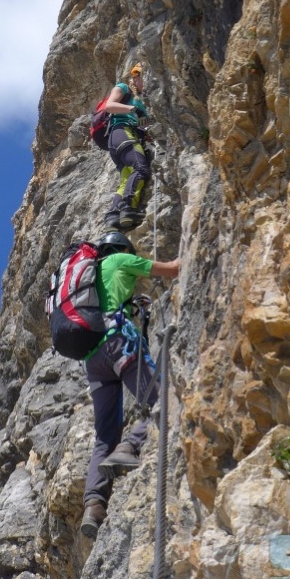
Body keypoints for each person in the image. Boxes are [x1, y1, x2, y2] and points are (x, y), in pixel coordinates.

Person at [80, 230, 180, 539]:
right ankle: (131, 445)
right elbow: (173, 269)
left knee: (103, 435)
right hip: (120, 344)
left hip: (93, 358)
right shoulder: (122, 259)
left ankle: (94, 506)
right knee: (161, 399)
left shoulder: (90, 275)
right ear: (122, 248)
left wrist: (133, 304)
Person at [103, 64, 153, 231]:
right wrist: (134, 110)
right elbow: (109, 106)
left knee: (127, 177)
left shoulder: (143, 101)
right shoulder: (123, 88)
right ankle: (128, 208)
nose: (141, 80)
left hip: (122, 140)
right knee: (141, 169)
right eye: (139, 77)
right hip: (122, 132)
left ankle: (113, 217)